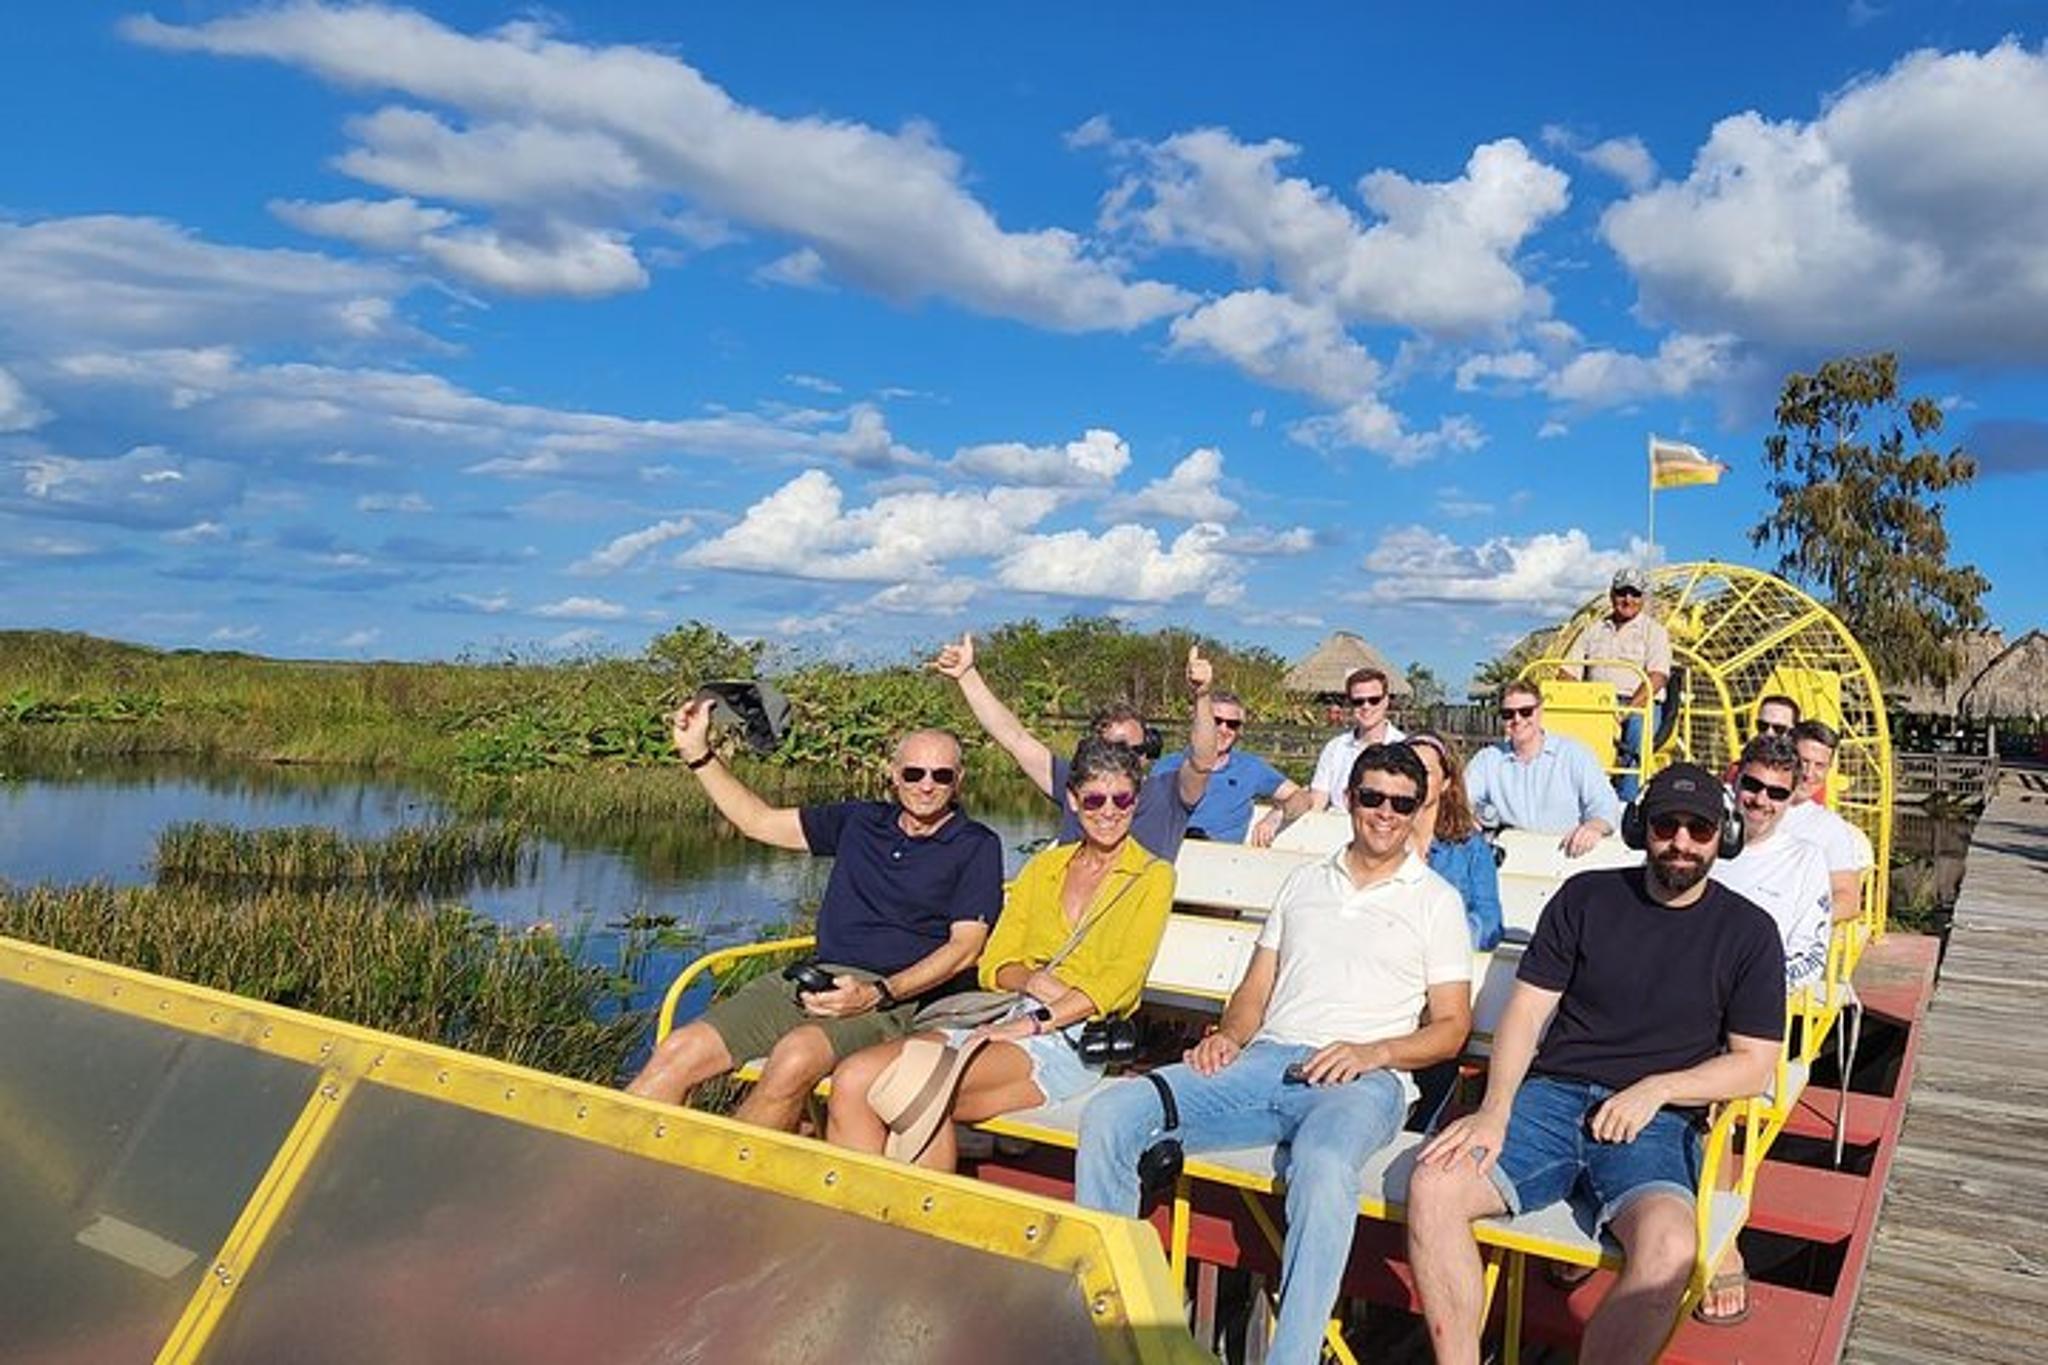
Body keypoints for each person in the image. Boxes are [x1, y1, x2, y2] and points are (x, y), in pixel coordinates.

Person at [1077, 743, 1472, 1365]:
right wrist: (1230, 1035)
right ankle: (1108, 1333)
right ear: (1351, 799)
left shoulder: (1436, 900)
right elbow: (1254, 992)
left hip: (1364, 1080)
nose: (1385, 813)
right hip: (1266, 1063)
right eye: (1372, 797)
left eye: (1402, 802)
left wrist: (1375, 1052)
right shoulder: (1304, 881)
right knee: (1113, 1113)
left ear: (1419, 806)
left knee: (1322, 1164)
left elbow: (1452, 1029)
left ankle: (1290, 1355)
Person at [1405, 763, 1784, 1365]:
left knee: (1669, 1251)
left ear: (1724, 837)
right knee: (1434, 1187)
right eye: (1666, 824)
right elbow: (1526, 1015)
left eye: (1699, 829)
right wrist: (1495, 1110)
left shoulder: (1750, 933)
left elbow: (1753, 1067)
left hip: (1658, 1123)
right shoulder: (1586, 897)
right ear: (1640, 827)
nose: (1681, 841)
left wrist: (1658, 1089)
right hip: (1551, 1099)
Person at [625, 706, 1003, 1131]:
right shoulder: (860, 821)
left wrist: (878, 992)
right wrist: (698, 754)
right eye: (915, 774)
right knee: (679, 1049)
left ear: (959, 781)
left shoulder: (977, 845)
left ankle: (726, 1186)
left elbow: (965, 948)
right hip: (816, 978)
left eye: (942, 775)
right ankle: (609, 1176)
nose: (927, 786)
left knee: (794, 1058)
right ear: (894, 775)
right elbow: (758, 821)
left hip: (898, 999)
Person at [825, 738, 1175, 1170]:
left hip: (1070, 1035)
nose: (1108, 811)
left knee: (914, 1089)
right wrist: (1031, 982)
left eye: (1121, 799)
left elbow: (1119, 983)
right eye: (1094, 799)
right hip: (1003, 1014)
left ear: (1135, 802)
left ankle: (921, 1224)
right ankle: (863, 1216)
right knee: (853, 1077)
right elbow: (994, 963)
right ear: (1072, 800)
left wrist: (1032, 1023)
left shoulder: (1152, 876)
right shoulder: (1045, 868)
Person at [1694, 732, 1835, 1326]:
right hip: (1674, 999)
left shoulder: (1804, 862)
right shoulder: (1697, 836)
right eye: (1751, 786)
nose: (1760, 800)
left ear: (1792, 795)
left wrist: (1747, 990)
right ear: (1734, 778)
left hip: (1744, 1015)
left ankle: (1721, 1238)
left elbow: (1811, 956)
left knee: (1715, 1089)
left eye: (1776, 792)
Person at [930, 632, 1218, 861]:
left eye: (1133, 751)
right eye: (1111, 752)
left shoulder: (1169, 795)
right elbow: (1014, 739)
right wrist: (967, 676)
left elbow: (1202, 761)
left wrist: (1202, 697)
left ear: (1147, 752)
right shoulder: (1075, 784)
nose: (1122, 761)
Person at [1462, 680, 1622, 857]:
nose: (1517, 719)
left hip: (1568, 857)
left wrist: (1593, 827)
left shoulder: (1574, 754)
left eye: (1525, 712)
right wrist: (1466, 818)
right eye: (1508, 714)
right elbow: (1459, 799)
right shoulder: (1487, 759)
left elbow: (1605, 805)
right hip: (1510, 858)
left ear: (1540, 711)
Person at [1251, 666, 1404, 846]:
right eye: (1358, 701)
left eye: (1374, 700)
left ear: (1386, 701)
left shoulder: (1405, 748)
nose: (1366, 707)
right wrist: (1278, 813)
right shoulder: (1335, 748)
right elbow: (1316, 801)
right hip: (1336, 835)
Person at [1564, 568, 1672, 801]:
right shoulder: (1592, 631)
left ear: (1643, 598)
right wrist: (1572, 700)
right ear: (1612, 594)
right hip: (1597, 703)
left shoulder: (1654, 632)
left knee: (1636, 729)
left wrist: (1627, 709)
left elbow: (1658, 676)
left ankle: (1627, 800)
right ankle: (1572, 795)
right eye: (1622, 592)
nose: (1627, 599)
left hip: (1639, 705)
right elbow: (1567, 672)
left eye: (1634, 593)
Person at [1154, 688, 1303, 842]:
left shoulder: (1250, 767)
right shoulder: (1169, 765)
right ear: (1200, 722)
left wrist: (1277, 815)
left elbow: (1300, 796)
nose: (1223, 729)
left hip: (1227, 859)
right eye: (1215, 721)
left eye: (1232, 724)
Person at [1406, 729, 1504, 950]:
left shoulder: (1471, 847)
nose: (1416, 780)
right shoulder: (1382, 839)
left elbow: (1491, 924)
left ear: (1445, 782)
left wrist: (1444, 940)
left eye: (1426, 772)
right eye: (1409, 771)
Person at [1781, 719, 1874, 923]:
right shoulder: (1754, 803)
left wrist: (1801, 920)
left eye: (1819, 766)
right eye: (1803, 761)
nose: (1809, 773)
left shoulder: (1830, 827)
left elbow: (1848, 899)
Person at [1724, 694, 1800, 786]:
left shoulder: (1805, 779)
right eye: (1762, 726)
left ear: (1793, 733)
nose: (1769, 733)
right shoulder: (1735, 771)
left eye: (1779, 729)